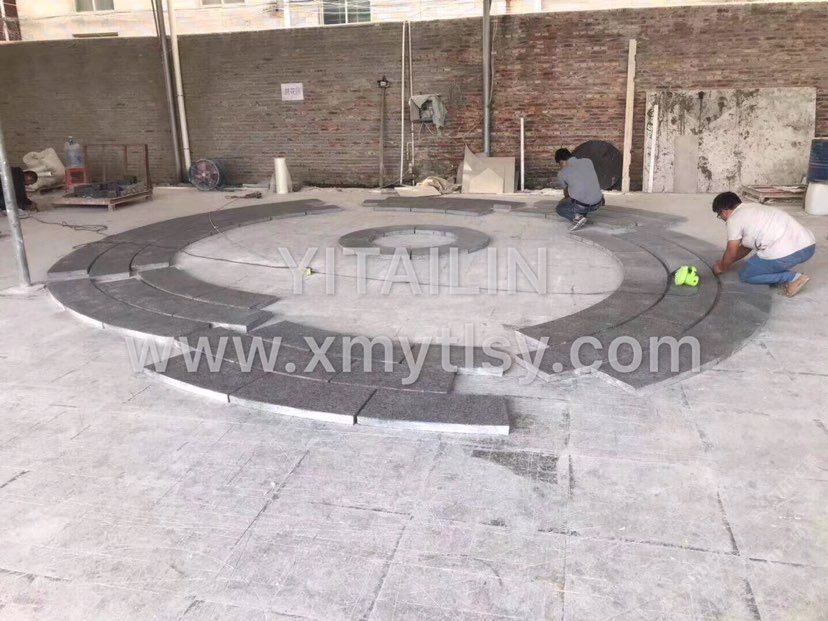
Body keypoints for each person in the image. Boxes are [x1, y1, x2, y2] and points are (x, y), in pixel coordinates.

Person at [711, 191, 815, 298]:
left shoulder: (734, 219)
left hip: (787, 253)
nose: (722, 218)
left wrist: (721, 267)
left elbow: (731, 250)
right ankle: (781, 273)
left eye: (719, 215)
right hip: (808, 246)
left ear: (724, 212)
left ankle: (792, 278)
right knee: (761, 263)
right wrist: (727, 261)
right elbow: (746, 247)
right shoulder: (753, 207)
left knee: (746, 275)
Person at [554, 147, 604, 232]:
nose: (560, 166)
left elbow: (566, 194)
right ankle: (582, 214)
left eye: (559, 163)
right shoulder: (588, 161)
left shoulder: (562, 173)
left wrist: (563, 200)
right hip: (598, 202)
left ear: (561, 161)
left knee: (560, 207)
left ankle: (577, 218)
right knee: (582, 197)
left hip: (583, 206)